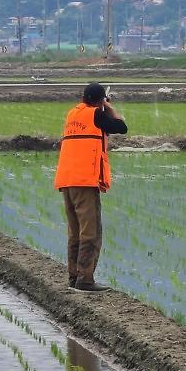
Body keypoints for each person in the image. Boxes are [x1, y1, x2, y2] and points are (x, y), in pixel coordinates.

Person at [54, 82, 128, 292]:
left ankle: (73, 277)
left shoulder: (73, 114)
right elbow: (121, 128)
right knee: (90, 232)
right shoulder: (97, 114)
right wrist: (109, 107)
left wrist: (101, 105)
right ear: (100, 100)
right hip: (84, 181)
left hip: (67, 180)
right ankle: (85, 280)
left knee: (75, 232)